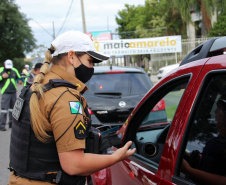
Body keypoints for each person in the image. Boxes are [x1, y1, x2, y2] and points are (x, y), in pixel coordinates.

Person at [8, 30, 136, 185]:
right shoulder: (64, 98)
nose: (91, 67)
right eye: (90, 61)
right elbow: (74, 165)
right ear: (72, 57)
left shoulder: (37, 86)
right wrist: (115, 157)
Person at [182, 96, 226, 185]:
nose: (215, 112)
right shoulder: (218, 138)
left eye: (218, 109)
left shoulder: (221, 145)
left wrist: (188, 170)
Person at [0, 59, 22, 131]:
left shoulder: (14, 70)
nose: (8, 68)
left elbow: (19, 78)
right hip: (5, 93)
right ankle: (2, 125)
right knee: (4, 109)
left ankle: (11, 124)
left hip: (13, 92)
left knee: (12, 109)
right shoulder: (1, 70)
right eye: (7, 66)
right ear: (4, 65)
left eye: (10, 66)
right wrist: (2, 77)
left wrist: (20, 81)